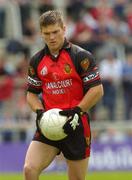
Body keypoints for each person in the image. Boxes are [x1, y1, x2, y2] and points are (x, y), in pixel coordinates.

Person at [23, 10, 104, 180]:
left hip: (75, 125)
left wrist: (77, 111)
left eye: (55, 32)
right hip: (48, 124)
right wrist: (39, 112)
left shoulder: (81, 56)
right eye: (46, 33)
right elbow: (31, 94)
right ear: (41, 34)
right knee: (30, 169)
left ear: (64, 29)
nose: (51, 37)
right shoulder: (36, 61)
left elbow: (97, 90)